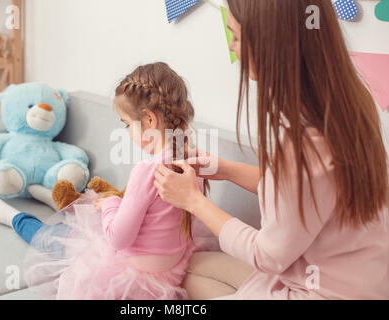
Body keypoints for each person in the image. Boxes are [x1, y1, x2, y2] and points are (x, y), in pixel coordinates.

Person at [154, 0, 389, 299]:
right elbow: (303, 194)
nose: (234, 48)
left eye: (237, 36)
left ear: (270, 43)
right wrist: (224, 169)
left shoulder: (302, 141)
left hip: (322, 290)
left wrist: (193, 200)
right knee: (190, 270)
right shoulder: (346, 101)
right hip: (359, 277)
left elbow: (268, 255)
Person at [0, 62, 214, 300]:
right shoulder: (191, 160)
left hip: (130, 274)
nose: (127, 132)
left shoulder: (146, 170)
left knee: (56, 238)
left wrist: (112, 203)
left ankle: (10, 216)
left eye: (126, 124)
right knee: (83, 214)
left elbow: (118, 238)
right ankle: (45, 195)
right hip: (169, 271)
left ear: (149, 120)